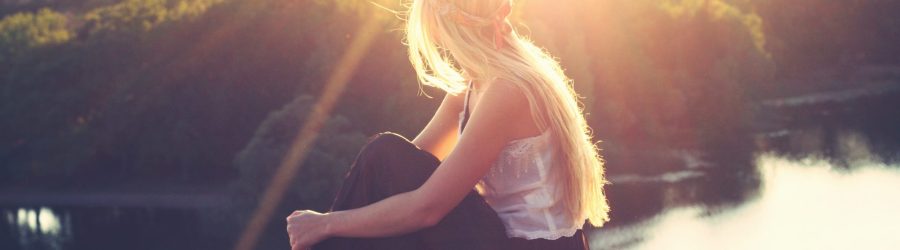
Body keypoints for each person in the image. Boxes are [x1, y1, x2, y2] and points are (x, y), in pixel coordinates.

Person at [286, 0, 611, 249]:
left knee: (381, 161)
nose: (437, 42)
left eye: (433, 31)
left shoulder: (506, 91)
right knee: (382, 152)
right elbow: (395, 171)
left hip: (531, 246)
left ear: (450, 28)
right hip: (497, 237)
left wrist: (327, 224)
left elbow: (427, 208)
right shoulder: (473, 87)